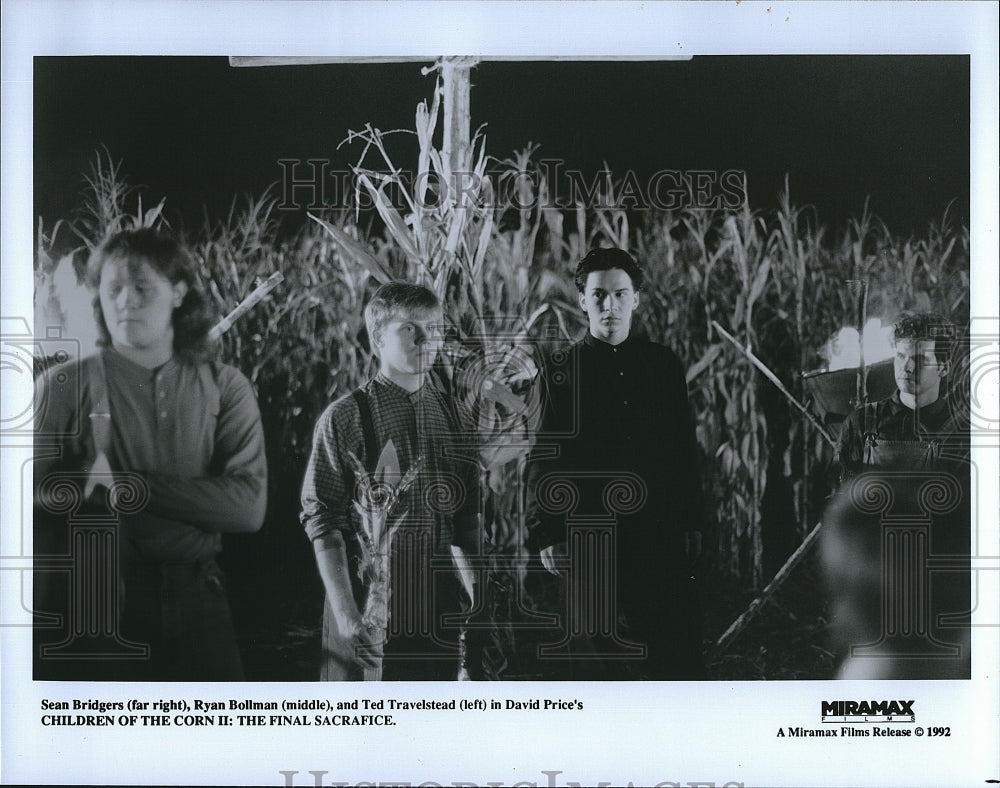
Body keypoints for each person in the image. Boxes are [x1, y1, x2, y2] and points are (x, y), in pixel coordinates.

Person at [33, 228, 267, 681]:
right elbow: (20, 494)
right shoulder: (63, 387)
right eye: (113, 288)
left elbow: (247, 508)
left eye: (143, 288)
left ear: (178, 292)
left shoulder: (225, 386)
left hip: (201, 602)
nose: (125, 301)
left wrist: (121, 486)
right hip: (98, 607)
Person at [525, 247, 705, 680]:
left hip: (656, 531)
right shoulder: (559, 369)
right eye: (599, 295)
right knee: (594, 657)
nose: (611, 306)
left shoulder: (663, 366)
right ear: (583, 300)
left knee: (666, 651)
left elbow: (684, 451)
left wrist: (694, 521)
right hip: (588, 533)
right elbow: (543, 454)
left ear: (637, 299)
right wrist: (546, 529)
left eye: (621, 294)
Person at [300, 281, 481, 681]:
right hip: (365, 601)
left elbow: (467, 523)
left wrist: (480, 607)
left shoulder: (456, 418)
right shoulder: (344, 418)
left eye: (434, 328)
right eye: (409, 329)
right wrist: (348, 617)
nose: (426, 339)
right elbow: (323, 523)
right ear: (378, 338)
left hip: (436, 604)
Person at [834, 311, 964, 479]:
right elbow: (840, 495)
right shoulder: (862, 422)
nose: (907, 367)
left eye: (920, 359)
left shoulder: (960, 431)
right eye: (901, 356)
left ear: (944, 368)